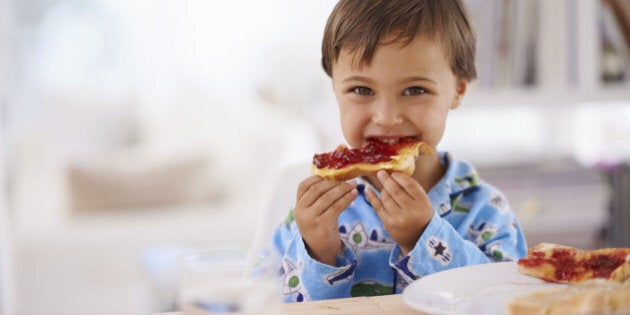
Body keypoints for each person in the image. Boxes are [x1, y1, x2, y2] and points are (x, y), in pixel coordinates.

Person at [270, 0, 528, 302]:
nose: (387, 117)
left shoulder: (488, 212)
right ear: (334, 87)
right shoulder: (309, 217)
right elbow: (259, 304)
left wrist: (425, 239)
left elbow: (507, 302)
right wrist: (318, 253)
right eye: (362, 90)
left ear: (458, 90)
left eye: (415, 90)